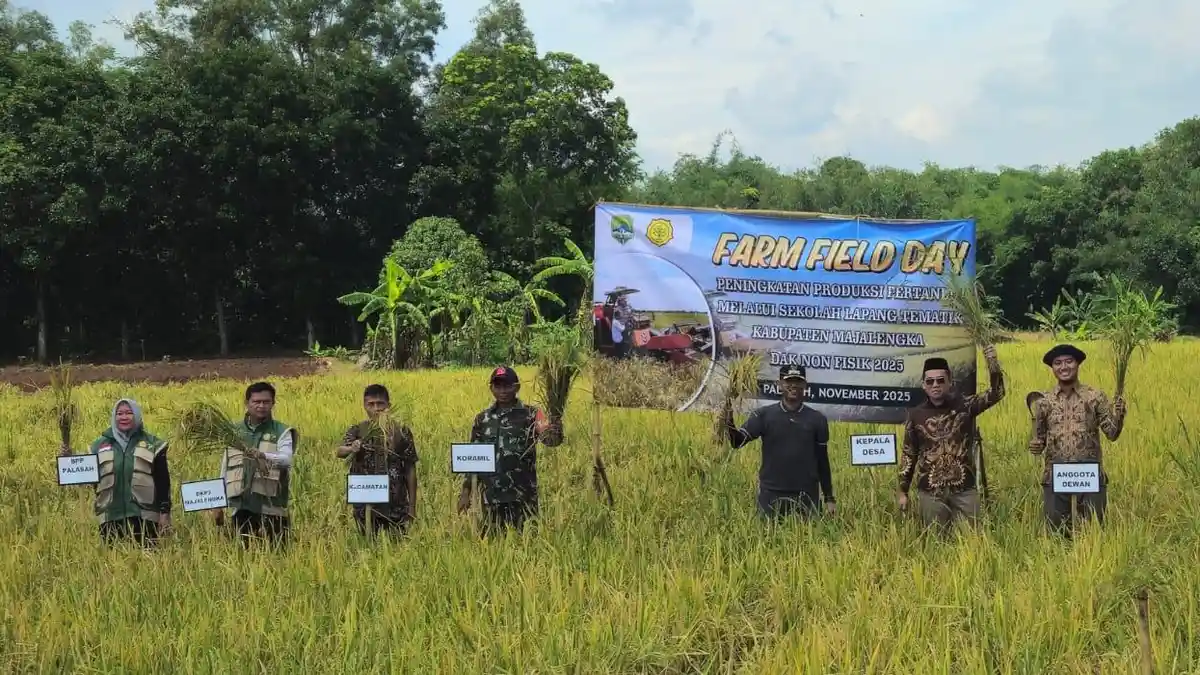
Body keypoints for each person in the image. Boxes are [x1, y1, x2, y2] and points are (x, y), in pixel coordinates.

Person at [897, 346, 1005, 533]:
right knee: (935, 545)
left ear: (950, 382)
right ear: (923, 385)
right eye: (930, 382)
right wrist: (902, 491)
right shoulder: (915, 415)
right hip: (930, 493)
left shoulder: (965, 406)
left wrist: (993, 365)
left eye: (940, 380)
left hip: (964, 489)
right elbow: (909, 454)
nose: (935, 385)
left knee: (973, 542)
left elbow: (997, 393)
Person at [1029, 344, 1126, 537]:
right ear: (1053, 368)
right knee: (1057, 534)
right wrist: (1034, 446)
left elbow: (1112, 434)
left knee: (1093, 531)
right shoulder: (1044, 401)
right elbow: (1038, 441)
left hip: (1088, 473)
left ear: (1078, 364)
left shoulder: (1095, 397)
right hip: (1056, 474)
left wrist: (1120, 414)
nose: (1063, 367)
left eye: (1068, 361)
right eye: (1058, 363)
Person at [456, 366, 563, 535]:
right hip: (492, 497)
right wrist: (466, 491)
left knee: (527, 546)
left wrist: (556, 424)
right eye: (498, 386)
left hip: (523, 497)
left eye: (507, 385)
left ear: (517, 387)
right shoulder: (482, 419)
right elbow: (473, 459)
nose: (503, 390)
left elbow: (551, 440)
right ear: (491, 388)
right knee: (493, 548)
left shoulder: (532, 414)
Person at [722, 364, 835, 520]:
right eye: (788, 381)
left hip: (806, 496)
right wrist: (727, 418)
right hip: (771, 495)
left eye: (798, 381)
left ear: (805, 385)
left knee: (809, 542)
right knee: (768, 542)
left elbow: (823, 462)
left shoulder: (817, 420)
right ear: (779, 385)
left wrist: (829, 499)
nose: (793, 385)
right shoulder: (763, 415)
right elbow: (737, 442)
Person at [60, 398, 171, 547]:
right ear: (114, 416)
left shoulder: (154, 445)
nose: (124, 417)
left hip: (145, 520)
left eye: (128, 413)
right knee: (112, 565)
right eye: (119, 413)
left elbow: (163, 483)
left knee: (148, 565)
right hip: (110, 519)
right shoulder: (98, 446)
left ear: (137, 415)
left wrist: (164, 514)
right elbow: (86, 476)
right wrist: (67, 459)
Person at [213, 382, 297, 548]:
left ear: (273, 403)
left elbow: (287, 460)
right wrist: (218, 504)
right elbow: (225, 467)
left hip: (272, 509)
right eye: (256, 402)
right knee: (242, 558)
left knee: (277, 557)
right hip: (241, 507)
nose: (261, 406)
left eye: (266, 402)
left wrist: (263, 455)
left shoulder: (282, 432)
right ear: (247, 403)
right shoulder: (234, 431)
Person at [336, 384, 419, 537]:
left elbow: (410, 469)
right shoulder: (358, 430)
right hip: (365, 502)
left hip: (395, 502)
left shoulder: (401, 431)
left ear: (389, 405)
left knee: (398, 548)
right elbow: (340, 451)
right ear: (364, 406)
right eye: (371, 404)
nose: (376, 409)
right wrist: (351, 448)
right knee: (367, 546)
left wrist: (412, 507)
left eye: (380, 404)